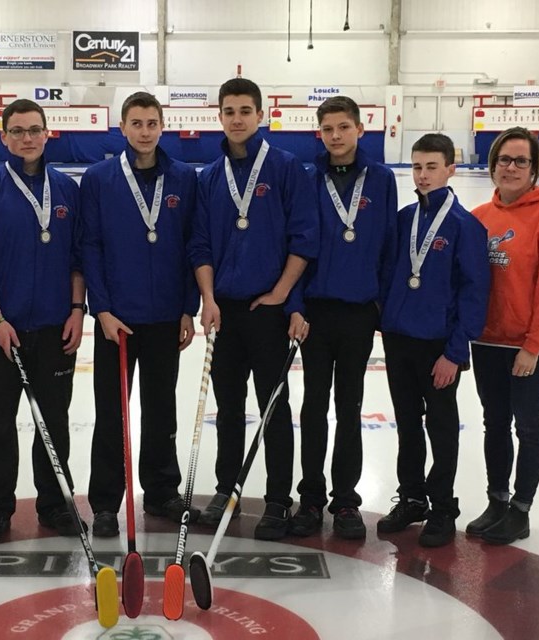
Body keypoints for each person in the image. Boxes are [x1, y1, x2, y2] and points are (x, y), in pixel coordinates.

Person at [189, 78, 319, 541]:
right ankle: (228, 491)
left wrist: (284, 294)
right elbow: (200, 244)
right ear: (219, 116)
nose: (238, 118)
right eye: (229, 111)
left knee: (273, 409)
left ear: (260, 115)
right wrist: (208, 300)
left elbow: (304, 238)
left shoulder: (286, 168)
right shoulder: (208, 177)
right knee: (228, 409)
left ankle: (279, 500)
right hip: (225, 311)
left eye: (246, 110)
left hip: (269, 309)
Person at [0, 99, 87, 544]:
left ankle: (54, 503)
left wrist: (77, 310)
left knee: (53, 420)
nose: (27, 138)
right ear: (4, 137)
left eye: (34, 129)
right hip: (3, 330)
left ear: (48, 133)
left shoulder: (68, 191)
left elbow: (78, 258)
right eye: (17, 131)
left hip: (56, 327)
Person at [80, 91, 201, 537]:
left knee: (160, 408)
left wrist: (188, 308)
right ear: (123, 127)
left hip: (166, 316)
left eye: (152, 123)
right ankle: (107, 501)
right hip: (117, 322)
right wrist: (103, 309)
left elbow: (194, 246)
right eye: (137, 123)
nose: (145, 131)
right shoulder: (98, 179)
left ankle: (163, 490)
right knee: (111, 413)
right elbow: (89, 246)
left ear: (162, 126)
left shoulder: (185, 179)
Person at [286, 96, 398, 539]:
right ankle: (311, 498)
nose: (336, 136)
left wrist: (380, 308)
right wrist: (294, 303)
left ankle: (346, 500)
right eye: (328, 128)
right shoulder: (306, 177)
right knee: (313, 407)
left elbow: (389, 246)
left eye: (343, 127)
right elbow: (292, 244)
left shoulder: (383, 180)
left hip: (357, 313)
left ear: (359, 129)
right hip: (314, 312)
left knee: (349, 407)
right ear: (319, 132)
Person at [376, 133, 490, 547]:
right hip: (400, 339)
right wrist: (385, 322)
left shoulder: (466, 227)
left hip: (439, 346)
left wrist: (455, 353)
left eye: (432, 167)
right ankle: (412, 498)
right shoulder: (404, 219)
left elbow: (474, 294)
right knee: (407, 424)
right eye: (418, 167)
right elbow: (389, 273)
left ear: (450, 169)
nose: (423, 176)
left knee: (441, 429)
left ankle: (442, 507)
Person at [466, 127, 539, 545]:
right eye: (503, 160)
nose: (510, 168)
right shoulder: (479, 217)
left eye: (520, 161)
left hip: (529, 347)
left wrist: (533, 345)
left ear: (534, 169)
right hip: (487, 342)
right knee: (494, 423)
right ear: (492, 164)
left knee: (527, 427)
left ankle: (521, 510)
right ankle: (497, 501)